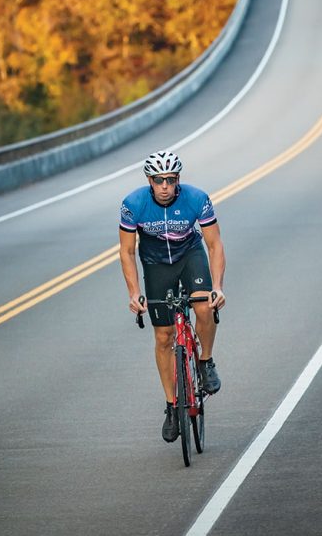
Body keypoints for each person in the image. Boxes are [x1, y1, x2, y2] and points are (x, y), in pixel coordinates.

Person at [119, 150, 226, 443]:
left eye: (170, 179)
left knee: (204, 306)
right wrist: (134, 293)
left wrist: (217, 286)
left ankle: (205, 362)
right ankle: (171, 405)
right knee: (164, 337)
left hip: (189, 255)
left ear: (178, 179)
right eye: (158, 180)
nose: (165, 186)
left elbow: (214, 245)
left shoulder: (196, 198)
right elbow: (127, 252)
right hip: (155, 265)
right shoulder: (133, 205)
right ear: (149, 181)